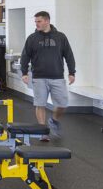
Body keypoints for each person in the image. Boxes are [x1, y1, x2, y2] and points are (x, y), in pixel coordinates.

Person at [19, 11, 75, 141]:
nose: (36, 24)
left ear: (47, 21)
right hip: (38, 77)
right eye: (36, 21)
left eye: (39, 21)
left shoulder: (60, 37)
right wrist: (24, 73)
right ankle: (42, 131)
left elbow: (69, 55)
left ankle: (54, 120)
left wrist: (72, 72)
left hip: (57, 77)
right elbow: (25, 56)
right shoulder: (32, 38)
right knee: (40, 104)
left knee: (62, 104)